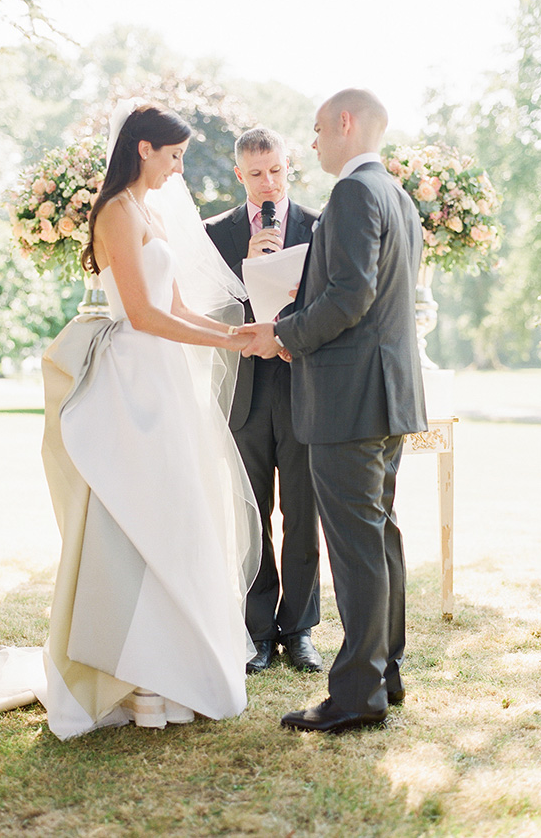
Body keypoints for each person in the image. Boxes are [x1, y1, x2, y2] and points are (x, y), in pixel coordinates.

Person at [0, 102, 261, 740]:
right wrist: (227, 344)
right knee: (138, 515)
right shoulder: (114, 211)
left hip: (164, 379)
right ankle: (136, 674)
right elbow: (141, 316)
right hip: (134, 380)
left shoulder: (151, 211)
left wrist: (235, 333)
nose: (179, 169)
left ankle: (174, 670)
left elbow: (176, 304)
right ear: (143, 149)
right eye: (174, 156)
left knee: (179, 511)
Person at [239, 89, 427, 733]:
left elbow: (350, 295)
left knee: (357, 550)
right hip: (385, 396)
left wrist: (283, 335)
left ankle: (355, 695)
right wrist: (292, 321)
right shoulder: (396, 195)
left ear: (346, 124)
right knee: (380, 539)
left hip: (349, 401)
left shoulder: (351, 194)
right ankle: (384, 673)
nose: (313, 143)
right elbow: (363, 300)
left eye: (318, 130)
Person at [204, 128, 322, 674]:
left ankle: (299, 630)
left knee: (301, 514)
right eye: (255, 174)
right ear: (239, 176)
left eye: (274, 170)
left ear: (289, 166)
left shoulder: (319, 227)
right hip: (244, 394)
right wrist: (244, 269)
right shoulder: (214, 234)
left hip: (303, 388)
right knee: (251, 516)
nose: (267, 183)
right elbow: (204, 311)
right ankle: (256, 631)